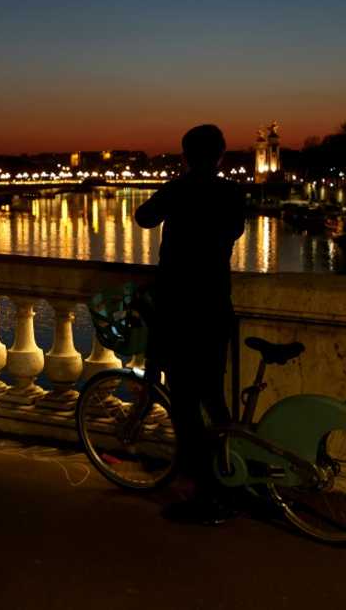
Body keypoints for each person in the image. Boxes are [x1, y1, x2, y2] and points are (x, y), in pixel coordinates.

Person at [135, 124, 245, 524]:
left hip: (179, 306)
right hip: (215, 304)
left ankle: (201, 492)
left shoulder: (178, 189)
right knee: (214, 397)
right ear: (221, 155)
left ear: (185, 155)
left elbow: (143, 217)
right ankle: (227, 479)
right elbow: (234, 231)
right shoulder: (231, 192)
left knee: (184, 403)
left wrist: (177, 191)